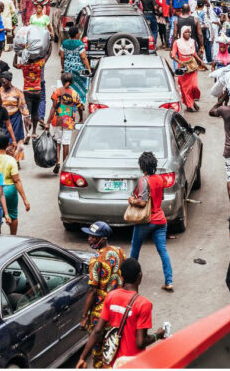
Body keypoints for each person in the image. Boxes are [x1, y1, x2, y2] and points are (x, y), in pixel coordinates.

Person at [77, 258, 166, 369]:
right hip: (132, 364)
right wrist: (158, 334)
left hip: (112, 364)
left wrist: (82, 358)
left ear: (121, 277)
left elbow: (97, 331)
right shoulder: (143, 304)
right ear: (140, 276)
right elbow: (140, 342)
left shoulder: (111, 296)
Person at [80, 220, 125, 361]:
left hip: (100, 312)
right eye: (89, 236)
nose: (89, 239)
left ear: (103, 238)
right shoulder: (119, 251)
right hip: (118, 308)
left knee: (98, 350)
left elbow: (92, 290)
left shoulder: (95, 260)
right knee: (114, 346)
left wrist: (84, 316)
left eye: (93, 237)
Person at [128, 152, 173, 292]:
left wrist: (132, 200)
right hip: (160, 219)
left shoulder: (143, 181)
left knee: (135, 250)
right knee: (163, 251)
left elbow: (142, 202)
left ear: (142, 166)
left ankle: (129, 279)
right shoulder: (159, 179)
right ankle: (169, 281)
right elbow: (161, 197)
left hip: (145, 221)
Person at [0, 131, 29, 235]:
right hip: (9, 191)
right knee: (13, 215)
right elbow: (16, 180)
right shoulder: (11, 160)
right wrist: (25, 199)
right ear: (8, 144)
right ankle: (13, 237)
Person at [46, 72, 81, 173]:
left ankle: (57, 161)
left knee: (58, 141)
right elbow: (80, 107)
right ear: (71, 82)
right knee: (66, 143)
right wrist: (81, 119)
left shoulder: (57, 91)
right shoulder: (74, 93)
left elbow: (53, 107)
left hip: (57, 120)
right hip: (69, 121)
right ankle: (65, 164)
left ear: (62, 81)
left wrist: (48, 122)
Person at [172, 26, 206, 112]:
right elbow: (173, 55)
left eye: (189, 32)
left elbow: (194, 53)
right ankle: (189, 105)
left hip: (192, 66)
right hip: (183, 67)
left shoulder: (192, 41)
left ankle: (192, 102)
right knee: (185, 88)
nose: (188, 34)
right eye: (186, 32)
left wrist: (200, 61)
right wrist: (179, 61)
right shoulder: (177, 42)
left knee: (194, 86)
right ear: (182, 33)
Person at [60, 26, 92, 104]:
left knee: (69, 86)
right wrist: (89, 69)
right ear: (77, 34)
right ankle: (79, 101)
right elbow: (83, 57)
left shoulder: (64, 43)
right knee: (81, 86)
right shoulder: (79, 44)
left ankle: (70, 101)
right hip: (78, 70)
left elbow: (62, 57)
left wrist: (63, 68)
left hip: (68, 69)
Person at [0, 72, 30, 145]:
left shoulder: (17, 91)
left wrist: (27, 117)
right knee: (3, 142)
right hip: (3, 119)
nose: (2, 84)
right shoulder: (0, 90)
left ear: (9, 81)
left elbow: (23, 105)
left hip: (14, 119)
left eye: (4, 82)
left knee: (15, 141)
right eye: (1, 82)